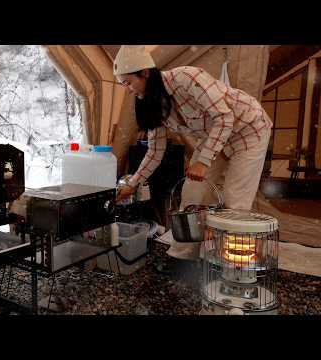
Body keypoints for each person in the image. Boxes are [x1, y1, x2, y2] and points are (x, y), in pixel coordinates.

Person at [114, 45, 272, 260]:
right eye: (123, 84)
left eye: (128, 83)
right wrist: (133, 184)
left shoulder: (188, 77)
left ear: (145, 73)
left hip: (248, 129)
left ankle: (230, 261)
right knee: (192, 193)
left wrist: (203, 161)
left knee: (235, 200)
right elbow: (155, 151)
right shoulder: (152, 102)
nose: (128, 89)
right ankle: (184, 255)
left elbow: (224, 118)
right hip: (214, 136)